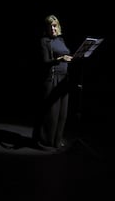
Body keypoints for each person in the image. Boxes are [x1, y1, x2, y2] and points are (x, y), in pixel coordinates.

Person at [33, 14, 73, 150]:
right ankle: (44, 140)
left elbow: (66, 54)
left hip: (64, 79)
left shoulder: (61, 40)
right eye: (49, 26)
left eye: (54, 25)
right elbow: (44, 62)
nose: (52, 28)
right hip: (53, 79)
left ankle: (56, 140)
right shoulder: (44, 41)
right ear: (46, 28)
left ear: (58, 26)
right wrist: (60, 59)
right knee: (52, 113)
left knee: (63, 112)